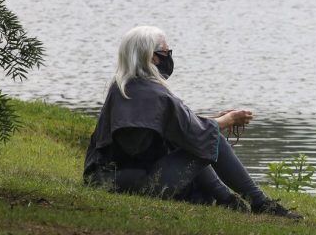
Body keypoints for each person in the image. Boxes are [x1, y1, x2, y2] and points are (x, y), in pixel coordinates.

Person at [83, 25, 302, 219]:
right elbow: (194, 132)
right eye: (166, 52)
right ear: (153, 57)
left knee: (200, 138)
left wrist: (214, 121)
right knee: (211, 139)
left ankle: (229, 200)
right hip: (130, 184)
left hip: (106, 179)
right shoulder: (152, 93)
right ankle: (259, 202)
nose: (169, 56)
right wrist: (229, 119)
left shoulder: (123, 87)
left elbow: (179, 128)